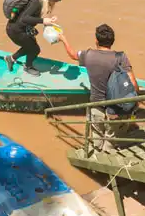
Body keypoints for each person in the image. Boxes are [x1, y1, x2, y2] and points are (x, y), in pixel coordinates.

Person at [58, 24, 138, 152]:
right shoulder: (120, 57)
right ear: (112, 41)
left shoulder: (88, 55)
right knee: (111, 138)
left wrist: (63, 39)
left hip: (96, 104)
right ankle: (107, 157)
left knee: (97, 135)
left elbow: (72, 54)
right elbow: (133, 84)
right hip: (116, 107)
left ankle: (96, 153)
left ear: (96, 40)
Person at [5, 0, 81, 77]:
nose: (55, 2)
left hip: (18, 28)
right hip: (16, 31)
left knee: (30, 46)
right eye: (55, 0)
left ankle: (11, 59)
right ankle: (28, 66)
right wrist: (43, 20)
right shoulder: (37, 3)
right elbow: (24, 18)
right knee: (35, 49)